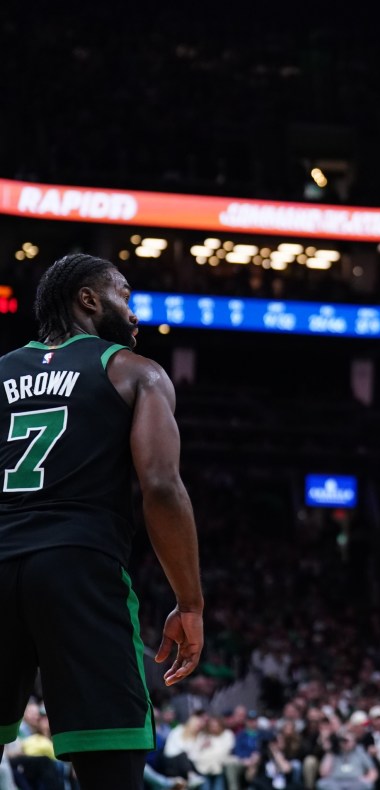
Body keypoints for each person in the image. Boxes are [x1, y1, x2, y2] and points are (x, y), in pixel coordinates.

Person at [0, 253, 205, 790]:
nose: (134, 314)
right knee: (109, 763)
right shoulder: (135, 372)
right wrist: (189, 603)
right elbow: (160, 486)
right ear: (88, 300)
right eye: (125, 297)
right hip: (79, 567)